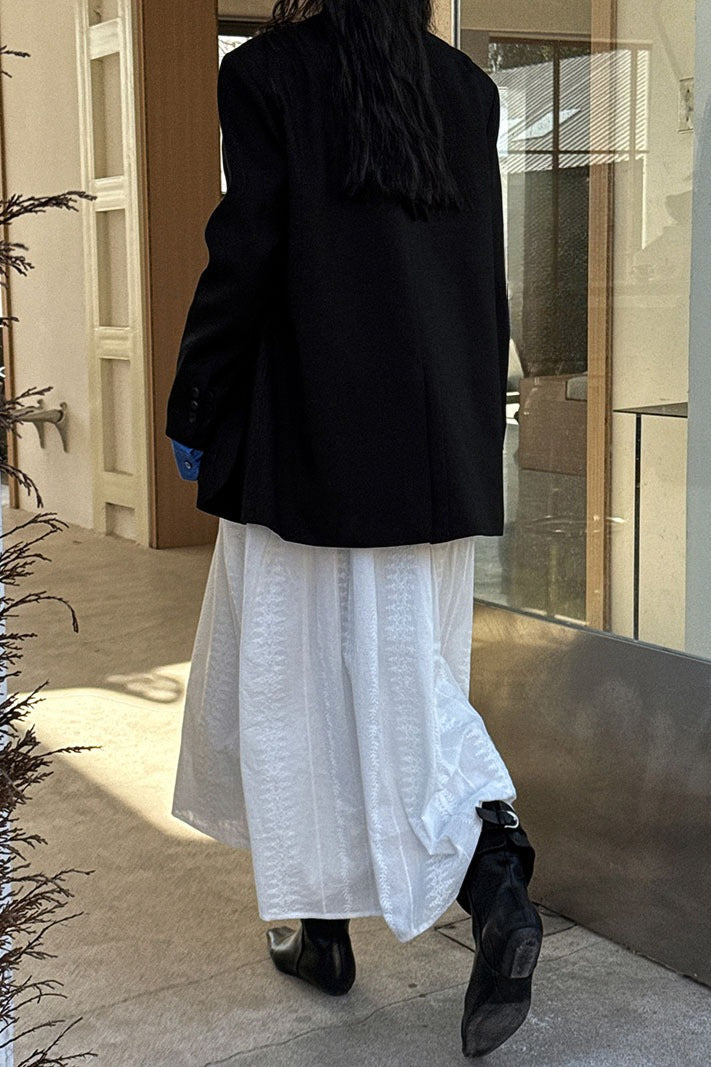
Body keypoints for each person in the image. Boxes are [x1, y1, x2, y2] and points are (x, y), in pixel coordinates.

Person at [165, 1, 543, 1058]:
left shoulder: (269, 75)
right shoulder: (465, 91)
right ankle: (447, 890)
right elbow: (481, 284)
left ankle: (379, 914)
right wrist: (471, 440)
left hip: (306, 450)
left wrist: (195, 406)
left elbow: (245, 256)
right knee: (409, 684)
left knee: (292, 686)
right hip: (428, 460)